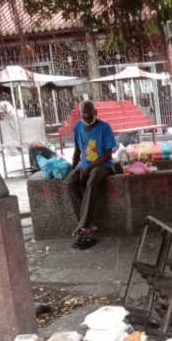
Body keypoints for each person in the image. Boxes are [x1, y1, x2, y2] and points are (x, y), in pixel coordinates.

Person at [66, 100, 117, 249]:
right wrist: (73, 169)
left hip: (103, 165)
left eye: (90, 115)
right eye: (84, 116)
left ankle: (82, 225)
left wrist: (89, 168)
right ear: (81, 115)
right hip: (84, 164)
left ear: (96, 113)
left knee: (92, 180)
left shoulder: (104, 127)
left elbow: (108, 155)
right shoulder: (78, 127)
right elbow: (77, 151)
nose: (87, 118)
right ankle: (86, 224)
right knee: (70, 182)